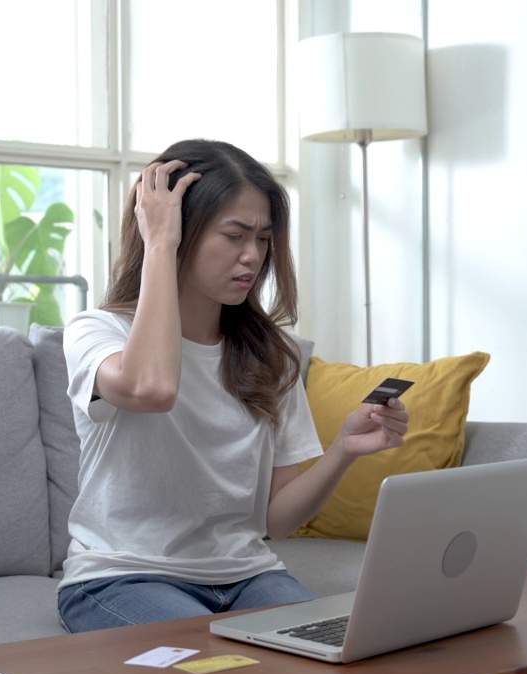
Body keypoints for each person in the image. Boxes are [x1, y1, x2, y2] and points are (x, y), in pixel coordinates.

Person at [57, 138, 410, 633]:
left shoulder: (271, 354)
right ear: (179, 229)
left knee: (336, 661)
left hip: (247, 576)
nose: (252, 257)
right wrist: (159, 243)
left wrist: (343, 451)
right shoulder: (97, 332)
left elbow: (278, 523)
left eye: (263, 239)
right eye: (234, 235)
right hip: (122, 578)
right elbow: (152, 388)